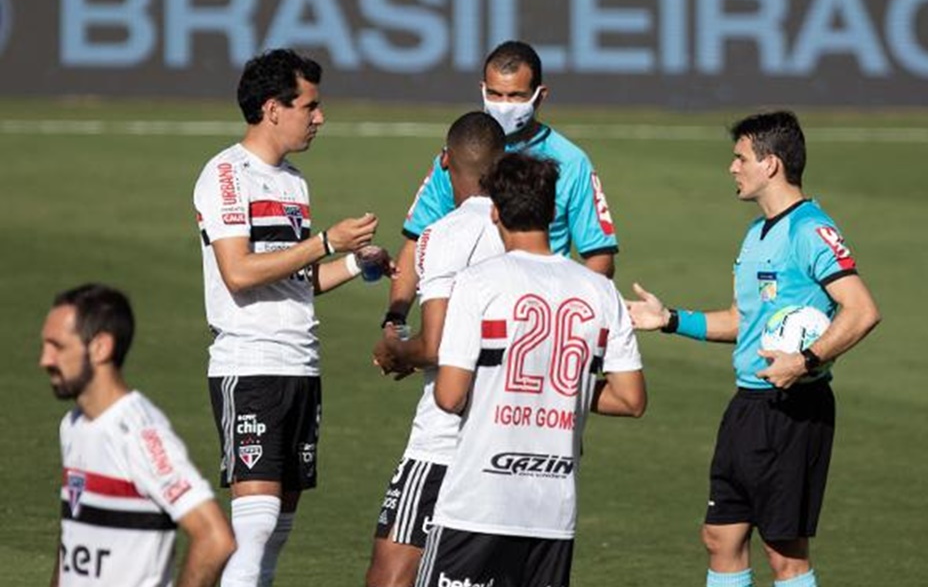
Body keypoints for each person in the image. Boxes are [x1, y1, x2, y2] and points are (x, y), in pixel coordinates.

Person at [626, 111, 881, 587]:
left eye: (740, 157)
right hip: (747, 404)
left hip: (793, 408)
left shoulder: (810, 230)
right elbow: (742, 322)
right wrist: (670, 320)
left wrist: (805, 361)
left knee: (784, 554)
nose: (732, 168)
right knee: (720, 536)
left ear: (772, 164)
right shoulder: (755, 234)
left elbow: (862, 310)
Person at [193, 48, 388, 586]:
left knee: (276, 532)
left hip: (300, 367)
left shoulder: (294, 182)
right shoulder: (228, 176)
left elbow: (295, 280)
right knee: (252, 530)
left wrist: (353, 263)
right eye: (311, 106)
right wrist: (326, 240)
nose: (319, 118)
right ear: (274, 108)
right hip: (250, 364)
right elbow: (239, 272)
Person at [415, 153, 647, 587]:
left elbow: (449, 396)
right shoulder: (600, 291)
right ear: (552, 210)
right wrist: (560, 390)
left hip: (478, 503)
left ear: (496, 212)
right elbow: (631, 399)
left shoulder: (478, 282)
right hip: (552, 513)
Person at [383, 40, 618, 328]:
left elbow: (599, 256)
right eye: (494, 94)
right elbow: (416, 241)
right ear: (482, 89)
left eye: (516, 96)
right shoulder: (459, 155)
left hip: (539, 319)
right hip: (469, 317)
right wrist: (395, 321)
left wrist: (568, 322)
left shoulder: (571, 162)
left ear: (539, 96)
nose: (504, 106)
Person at [366, 112, 507, 587]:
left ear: (445, 161)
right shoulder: (531, 235)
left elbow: (439, 345)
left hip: (446, 442)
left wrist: (395, 351)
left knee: (391, 571)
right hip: (512, 438)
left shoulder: (444, 233)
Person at [41, 283, 235, 587]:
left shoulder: (139, 434)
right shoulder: (73, 425)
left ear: (100, 347)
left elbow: (215, 538)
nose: (45, 360)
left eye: (58, 347)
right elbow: (74, 538)